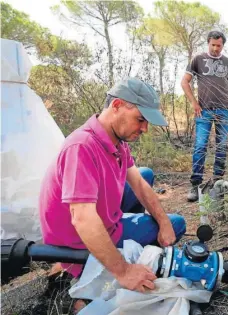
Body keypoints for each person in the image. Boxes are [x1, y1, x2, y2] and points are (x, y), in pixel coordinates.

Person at [39, 78, 186, 293]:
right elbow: (83, 219)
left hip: (97, 220)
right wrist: (123, 271)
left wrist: (163, 223)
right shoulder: (82, 147)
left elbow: (138, 182)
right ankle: (84, 271)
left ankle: (129, 244)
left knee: (145, 175)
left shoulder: (116, 140)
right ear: (116, 106)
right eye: (140, 119)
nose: (144, 128)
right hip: (76, 243)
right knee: (178, 224)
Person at [181, 31, 228, 202]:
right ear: (208, 43)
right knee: (200, 146)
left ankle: (217, 182)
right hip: (204, 110)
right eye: (212, 45)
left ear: (222, 45)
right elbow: (185, 81)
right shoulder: (198, 59)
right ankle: (195, 184)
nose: (215, 48)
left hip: (224, 110)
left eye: (218, 45)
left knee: (222, 146)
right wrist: (194, 102)